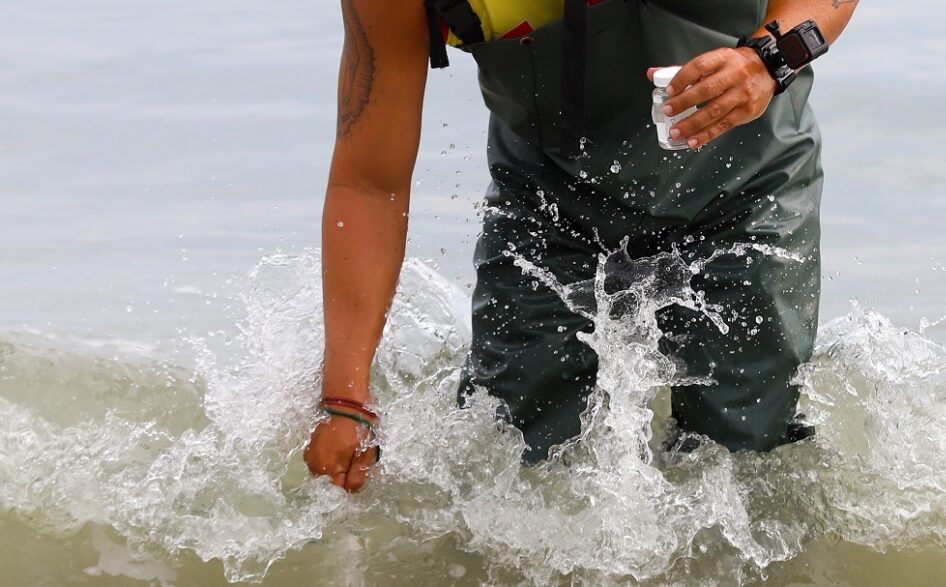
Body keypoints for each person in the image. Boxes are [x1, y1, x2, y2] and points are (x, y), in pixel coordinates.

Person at [303, 0, 859, 492]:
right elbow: (369, 183)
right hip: (549, 207)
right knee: (519, 474)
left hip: (748, 191)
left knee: (743, 473)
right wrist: (345, 402)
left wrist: (768, 59)